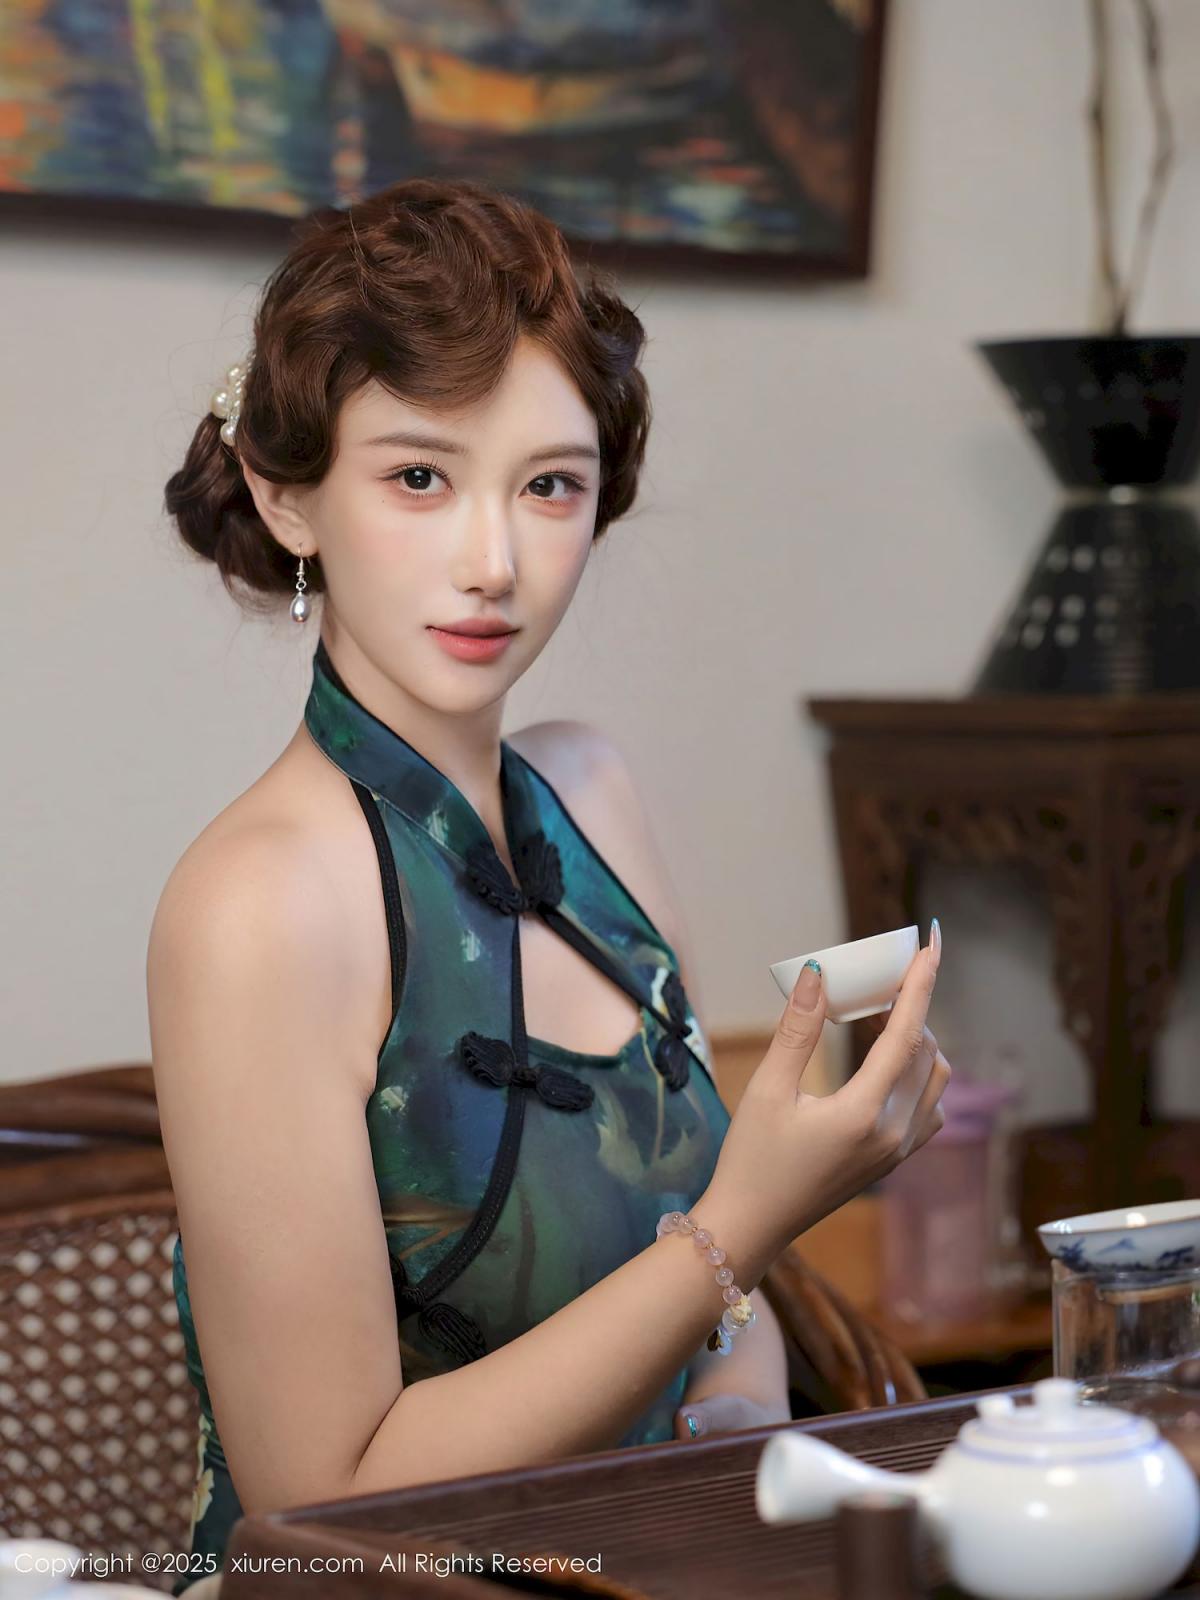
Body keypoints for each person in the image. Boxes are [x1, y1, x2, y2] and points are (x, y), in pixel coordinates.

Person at [148, 175, 950, 1593]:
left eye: (549, 486)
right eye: (418, 477)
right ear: (286, 496)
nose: (495, 562)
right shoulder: (257, 906)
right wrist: (745, 1225)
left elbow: (724, 1306)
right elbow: (320, 1510)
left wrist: (742, 1419)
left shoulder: (592, 793)